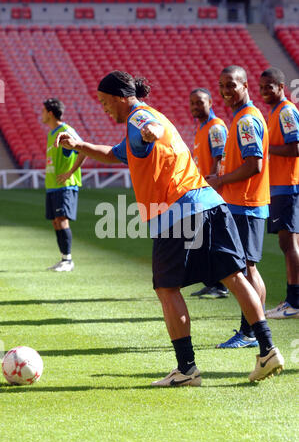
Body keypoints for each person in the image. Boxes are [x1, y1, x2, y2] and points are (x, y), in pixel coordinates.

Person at [55, 70, 284, 385]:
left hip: (176, 213)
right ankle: (268, 348)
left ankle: (186, 369)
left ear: (121, 97)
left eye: (105, 101)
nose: (103, 108)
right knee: (234, 275)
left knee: (166, 288)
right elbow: (114, 153)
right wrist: (79, 143)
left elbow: (150, 127)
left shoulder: (140, 119)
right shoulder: (141, 123)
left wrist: (151, 130)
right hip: (210, 203)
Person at [207, 65, 270, 349]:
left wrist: (220, 180)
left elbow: (254, 165)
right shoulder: (241, 118)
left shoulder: (246, 120)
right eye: (222, 85)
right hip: (244, 203)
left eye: (231, 84)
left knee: (247, 269)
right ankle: (252, 330)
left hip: (245, 204)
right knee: (246, 268)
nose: (225, 90)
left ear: (245, 85)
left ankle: (250, 332)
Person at [259, 67, 299, 319]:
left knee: (289, 242)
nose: (264, 91)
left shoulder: (286, 111)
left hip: (288, 185)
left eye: (269, 87)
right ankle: (292, 300)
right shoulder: (275, 112)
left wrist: (266, 147)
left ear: (281, 87)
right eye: (261, 87)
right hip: (279, 186)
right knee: (288, 243)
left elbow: (295, 148)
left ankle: (294, 301)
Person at [189, 87, 229, 299]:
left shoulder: (215, 128)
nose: (195, 106)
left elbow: (220, 158)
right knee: (204, 239)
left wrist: (211, 186)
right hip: (203, 191)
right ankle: (213, 282)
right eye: (192, 103)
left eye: (200, 102)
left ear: (211, 103)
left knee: (213, 239)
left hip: (213, 193)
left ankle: (221, 286)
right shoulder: (203, 128)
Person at [42, 98, 85, 272]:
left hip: (65, 185)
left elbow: (83, 150)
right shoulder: (52, 133)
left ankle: (68, 261)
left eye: (43, 111)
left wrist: (70, 172)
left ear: (50, 113)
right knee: (56, 222)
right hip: (52, 185)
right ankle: (63, 259)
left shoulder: (66, 131)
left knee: (62, 220)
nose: (42, 114)